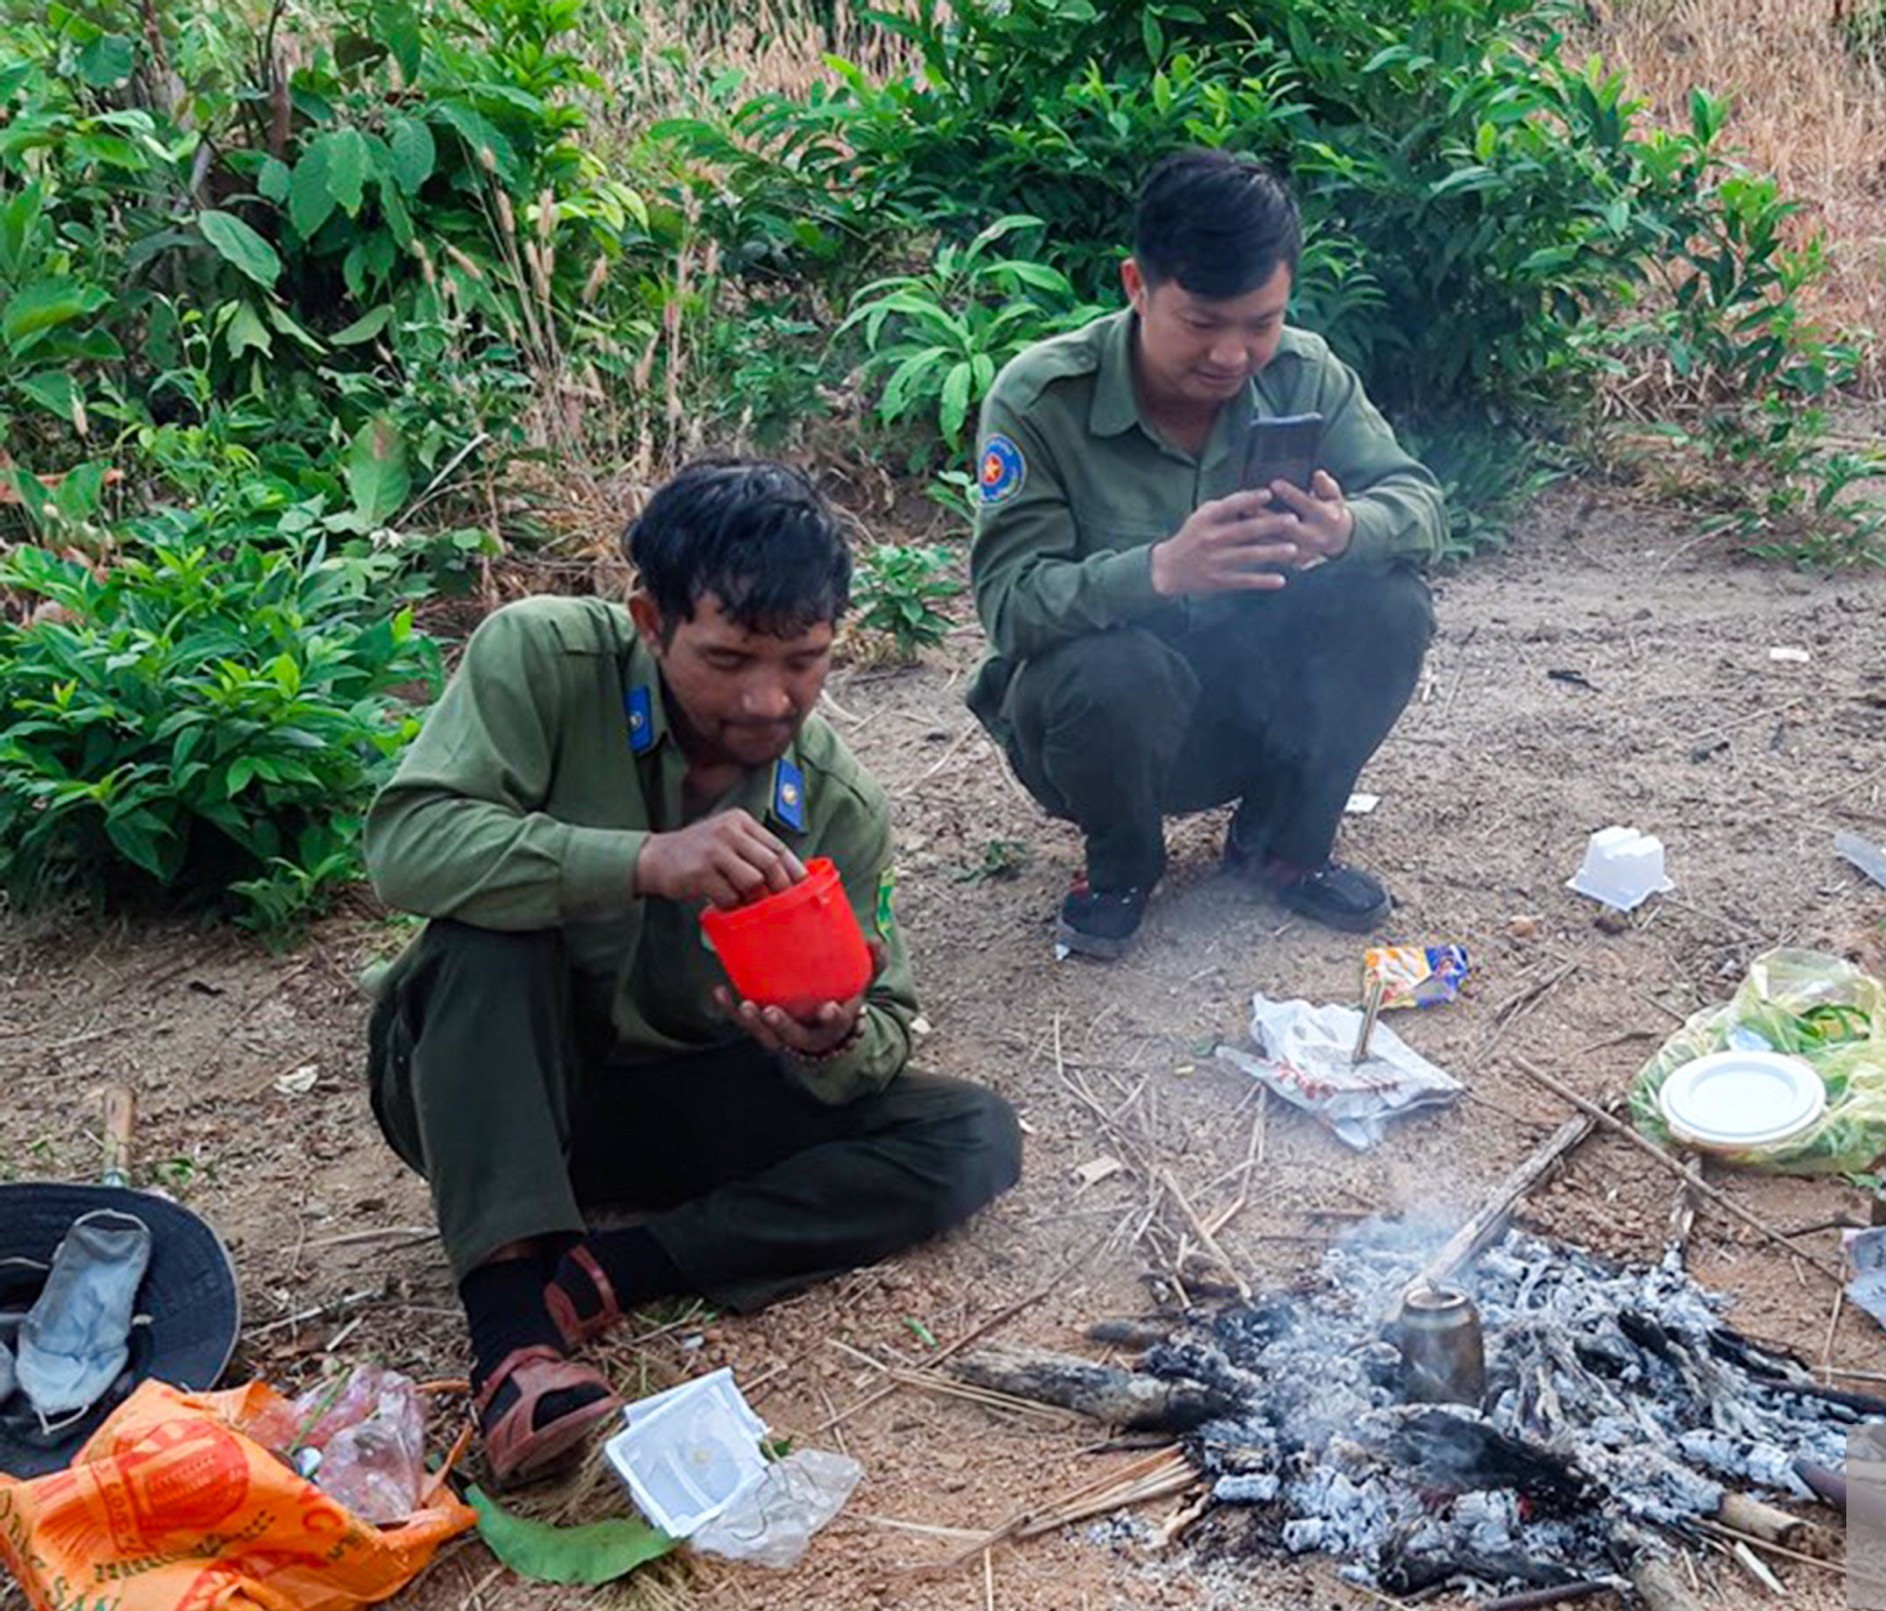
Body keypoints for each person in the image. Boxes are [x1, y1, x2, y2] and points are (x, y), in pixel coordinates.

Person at [365, 459, 1021, 1483]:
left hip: (679, 1113)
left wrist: (832, 1038)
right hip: (498, 1088)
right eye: (727, 659)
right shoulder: (541, 659)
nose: (767, 700)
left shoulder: (833, 806)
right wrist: (635, 862)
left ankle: (613, 1270)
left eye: (804, 661)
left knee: (969, 1132)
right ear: (649, 620)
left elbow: (884, 1014)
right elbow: (408, 849)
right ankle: (509, 1346)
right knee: (488, 937)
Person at [964, 148, 1445, 959]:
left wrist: (1342, 530)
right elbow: (1009, 602)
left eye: (1261, 323)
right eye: (1201, 323)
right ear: (1135, 286)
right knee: (1109, 670)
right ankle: (1120, 868)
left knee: (1390, 604)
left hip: (1259, 710)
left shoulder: (1305, 372)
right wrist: (1158, 571)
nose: (1232, 355)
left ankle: (1284, 842)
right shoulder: (1041, 399)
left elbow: (1421, 503)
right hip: (1103, 734)